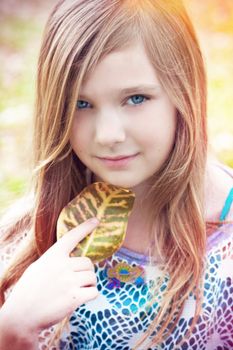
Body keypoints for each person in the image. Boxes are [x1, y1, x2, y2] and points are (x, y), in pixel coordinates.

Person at [0, 0, 233, 349]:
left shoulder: (225, 256)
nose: (108, 134)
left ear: (184, 92)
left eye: (136, 98)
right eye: (81, 104)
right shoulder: (25, 241)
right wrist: (12, 333)